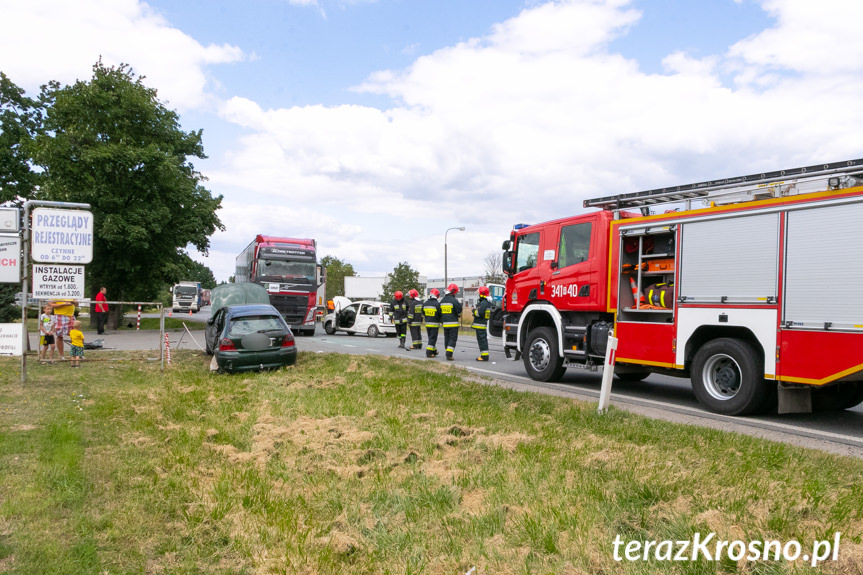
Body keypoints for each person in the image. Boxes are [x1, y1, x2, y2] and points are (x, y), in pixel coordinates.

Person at [440, 283, 463, 361]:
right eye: (456, 292)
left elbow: (439, 313)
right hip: (453, 324)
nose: (456, 294)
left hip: (445, 324)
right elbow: (459, 311)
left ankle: (447, 350)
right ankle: (449, 354)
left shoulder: (442, 301)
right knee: (452, 339)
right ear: (453, 292)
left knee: (447, 338)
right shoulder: (454, 301)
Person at [473, 286, 492, 361]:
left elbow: (479, 313)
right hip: (482, 325)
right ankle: (484, 355)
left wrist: (473, 311)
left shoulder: (483, 303)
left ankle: (484, 356)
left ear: (482, 294)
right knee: (482, 340)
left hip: (481, 325)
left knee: (482, 341)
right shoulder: (486, 302)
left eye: (479, 293)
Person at [422, 289, 442, 358]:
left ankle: (434, 350)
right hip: (434, 324)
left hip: (427, 324)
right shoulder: (437, 304)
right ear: (437, 296)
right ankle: (429, 352)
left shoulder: (425, 303)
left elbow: (423, 313)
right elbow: (440, 313)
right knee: (433, 338)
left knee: (430, 338)